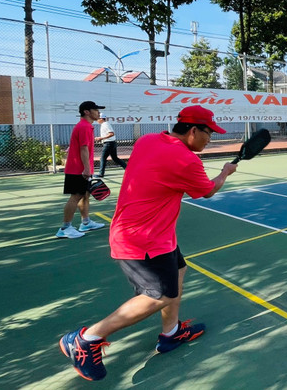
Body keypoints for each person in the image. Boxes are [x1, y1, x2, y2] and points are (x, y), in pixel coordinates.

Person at [59, 105, 238, 381]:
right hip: (141, 239)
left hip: (156, 235)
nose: (210, 138)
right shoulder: (186, 160)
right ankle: (86, 339)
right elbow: (208, 191)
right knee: (160, 295)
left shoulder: (148, 140)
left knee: (178, 270)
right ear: (193, 130)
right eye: (209, 133)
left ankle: (170, 334)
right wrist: (225, 172)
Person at [56, 101, 106, 239]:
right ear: (87, 112)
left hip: (81, 168)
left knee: (85, 195)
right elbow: (83, 149)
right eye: (95, 110)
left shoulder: (87, 126)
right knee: (75, 196)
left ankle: (86, 223)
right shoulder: (84, 127)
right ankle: (64, 228)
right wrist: (87, 169)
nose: (98, 112)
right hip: (77, 169)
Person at [95, 113, 126, 177]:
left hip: (109, 143)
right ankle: (128, 169)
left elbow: (111, 134)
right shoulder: (104, 124)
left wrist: (101, 138)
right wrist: (101, 138)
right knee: (115, 158)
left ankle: (101, 174)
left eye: (98, 119)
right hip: (111, 143)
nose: (97, 120)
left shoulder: (105, 124)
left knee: (103, 158)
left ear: (101, 119)